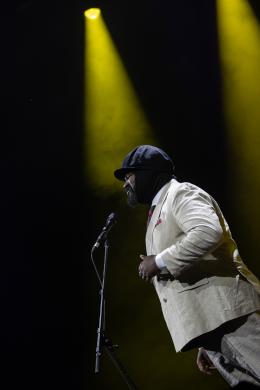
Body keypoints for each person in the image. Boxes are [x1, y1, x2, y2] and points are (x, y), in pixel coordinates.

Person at [114, 144, 260, 388]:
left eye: (128, 176)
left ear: (148, 172)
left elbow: (207, 231)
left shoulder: (180, 194)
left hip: (230, 316)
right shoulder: (160, 208)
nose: (125, 184)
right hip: (213, 323)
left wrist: (159, 261)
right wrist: (203, 337)